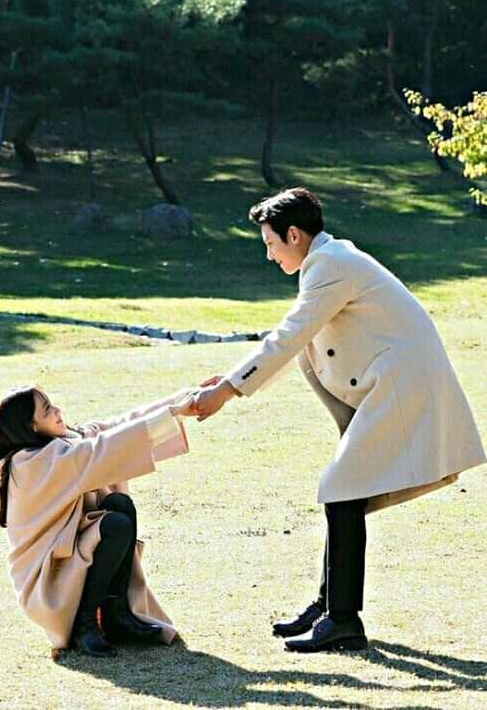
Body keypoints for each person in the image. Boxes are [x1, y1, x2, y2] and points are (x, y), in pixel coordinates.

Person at [193, 187, 486, 653]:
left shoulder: (330, 266)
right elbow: (295, 341)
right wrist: (228, 381)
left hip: (400, 386)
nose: (269, 255)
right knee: (342, 492)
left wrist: (227, 391)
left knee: (341, 490)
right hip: (391, 384)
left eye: (270, 243)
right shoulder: (327, 262)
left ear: (294, 234)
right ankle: (330, 607)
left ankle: (342, 620)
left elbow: (287, 337)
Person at [0, 384, 196, 657]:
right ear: (32, 427)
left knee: (119, 506)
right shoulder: (32, 463)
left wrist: (184, 401)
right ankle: (83, 627)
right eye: (48, 410)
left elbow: (116, 428)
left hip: (69, 556)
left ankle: (116, 615)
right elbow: (103, 449)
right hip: (48, 576)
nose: (58, 412)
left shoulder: (63, 444)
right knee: (114, 524)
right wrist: (173, 411)